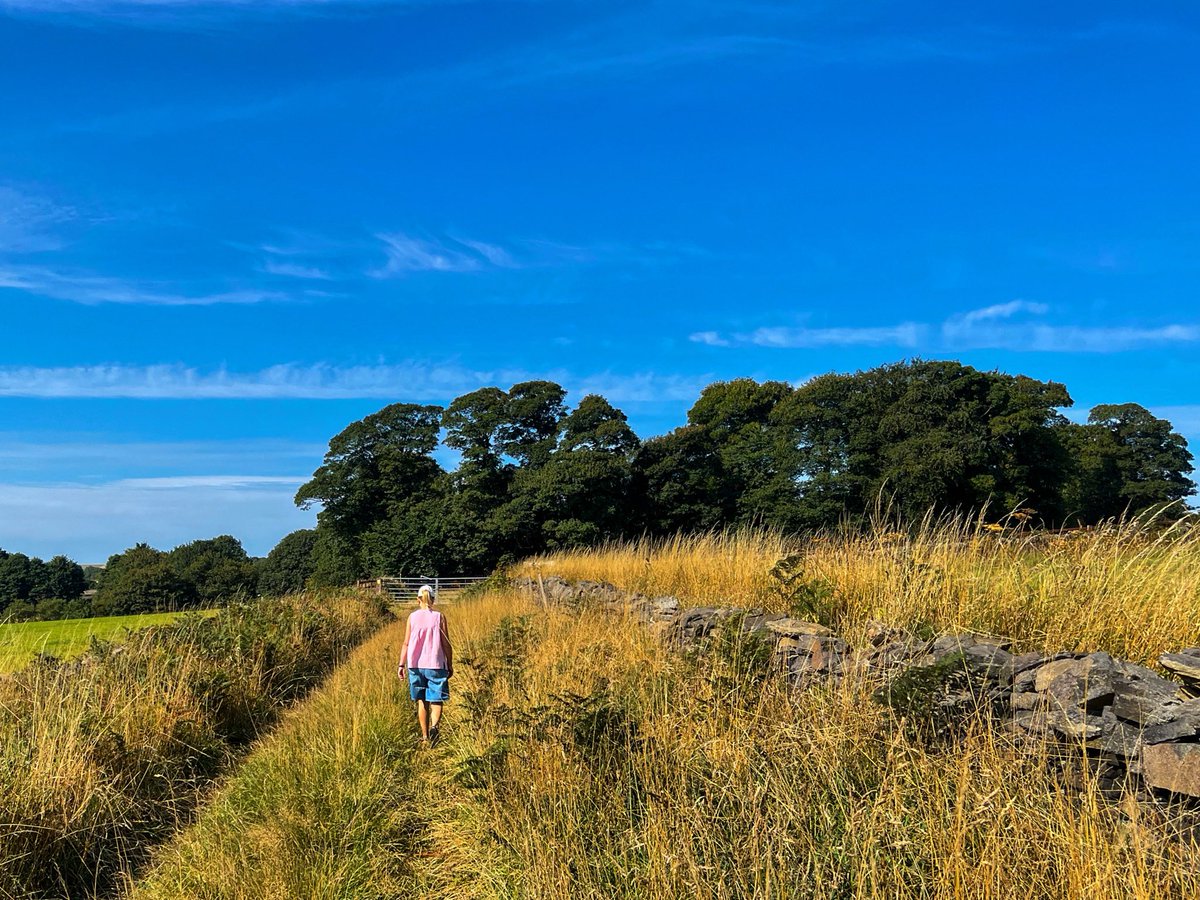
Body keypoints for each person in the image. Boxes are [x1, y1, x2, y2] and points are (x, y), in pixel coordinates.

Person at [400, 584, 453, 747]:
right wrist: (449, 664)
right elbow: (446, 643)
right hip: (436, 664)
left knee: (422, 701)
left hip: (415, 665)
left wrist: (401, 664)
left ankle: (424, 737)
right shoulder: (439, 617)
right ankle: (435, 727)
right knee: (436, 699)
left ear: (418, 599)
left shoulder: (412, 617)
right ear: (433, 599)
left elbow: (406, 643)